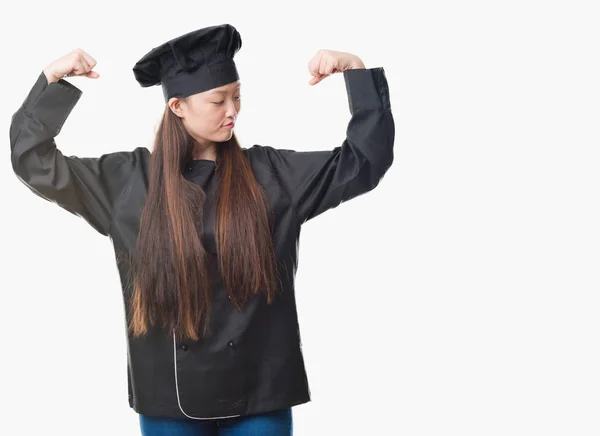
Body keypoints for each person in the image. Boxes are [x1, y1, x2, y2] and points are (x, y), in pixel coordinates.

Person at [9, 23, 395, 436]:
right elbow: (34, 163)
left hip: (260, 395)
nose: (233, 110)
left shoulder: (271, 175)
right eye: (218, 100)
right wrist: (50, 82)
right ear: (178, 106)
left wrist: (356, 71)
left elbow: (363, 162)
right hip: (168, 403)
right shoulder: (129, 182)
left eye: (238, 96)